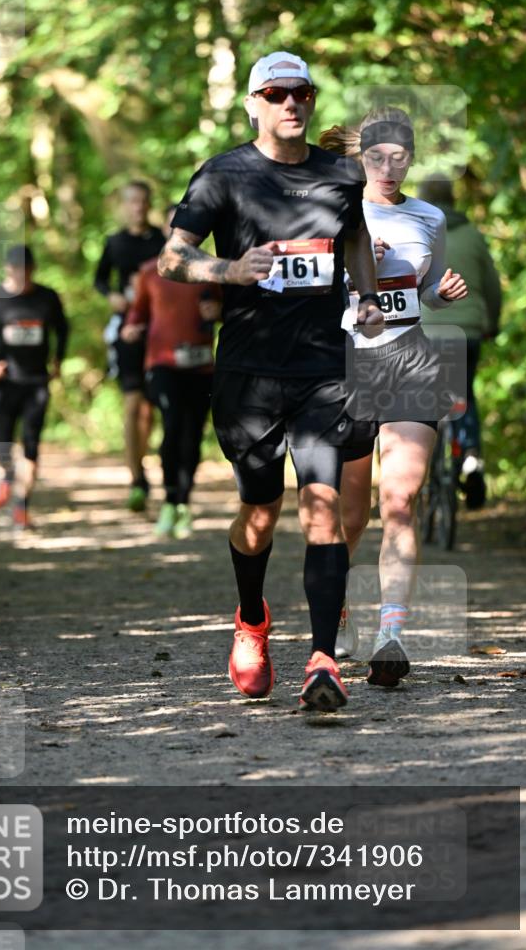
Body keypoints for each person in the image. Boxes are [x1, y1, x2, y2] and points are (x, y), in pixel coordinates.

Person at [158, 51, 384, 713]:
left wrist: (365, 297)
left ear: (312, 101)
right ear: (253, 102)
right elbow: (172, 257)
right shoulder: (223, 175)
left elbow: (355, 243)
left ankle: (321, 661)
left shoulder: (341, 173)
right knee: (260, 512)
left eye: (301, 93)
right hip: (249, 374)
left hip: (322, 368)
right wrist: (228, 272)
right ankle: (251, 618)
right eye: (276, 92)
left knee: (323, 506)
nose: (291, 103)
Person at [319, 108, 467, 685]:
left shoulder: (429, 217)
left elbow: (427, 285)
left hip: (411, 362)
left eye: (398, 158)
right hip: (347, 365)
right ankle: (336, 610)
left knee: (401, 499)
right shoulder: (331, 211)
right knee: (351, 516)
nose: (387, 167)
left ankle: (390, 635)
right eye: (375, 157)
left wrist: (442, 290)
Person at [122, 205, 222, 540]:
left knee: (192, 435)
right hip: (163, 363)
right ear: (168, 230)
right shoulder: (151, 271)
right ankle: (168, 500)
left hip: (202, 364)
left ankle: (184, 503)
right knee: (172, 427)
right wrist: (132, 328)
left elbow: (230, 312)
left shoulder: (212, 269)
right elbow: (137, 313)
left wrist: (218, 311)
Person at [0, 245, 69, 531]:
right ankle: (8, 478)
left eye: (27, 271)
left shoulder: (47, 297)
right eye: (16, 271)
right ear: (6, 270)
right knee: (3, 444)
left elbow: (62, 329)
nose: (22, 276)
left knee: (32, 444)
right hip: (6, 384)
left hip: (37, 383)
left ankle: (22, 507)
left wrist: (58, 359)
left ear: (34, 270)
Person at [418, 175, 501, 508]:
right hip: (467, 331)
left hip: (425, 331)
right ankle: (469, 455)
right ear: (453, 199)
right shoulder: (473, 236)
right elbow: (493, 288)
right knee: (463, 393)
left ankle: (421, 465)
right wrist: (491, 324)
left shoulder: (418, 234)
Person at [94, 182, 166, 512]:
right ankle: (136, 478)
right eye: (132, 201)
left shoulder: (160, 240)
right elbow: (99, 279)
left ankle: (149, 465)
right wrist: (111, 296)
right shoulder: (114, 242)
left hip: (160, 331)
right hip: (128, 331)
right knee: (132, 403)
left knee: (149, 411)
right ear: (123, 206)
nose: (138, 207)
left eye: (143, 201)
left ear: (148, 204)